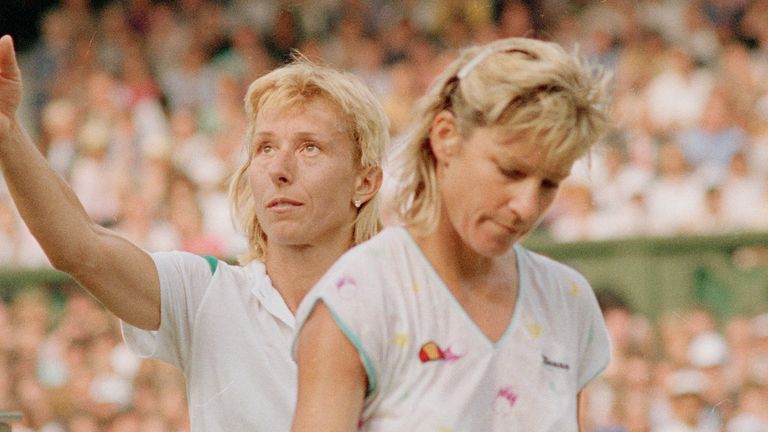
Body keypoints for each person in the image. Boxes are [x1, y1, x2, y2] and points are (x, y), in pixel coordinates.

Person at [0, 34, 389, 431]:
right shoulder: (207, 292)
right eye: (265, 148)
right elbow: (80, 246)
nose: (279, 169)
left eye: (310, 148)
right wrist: (8, 132)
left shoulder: (406, 312)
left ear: (366, 181)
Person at [291, 37, 612, 431]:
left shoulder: (568, 301)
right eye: (510, 171)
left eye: (549, 183)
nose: (528, 206)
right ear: (445, 136)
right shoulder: (357, 299)